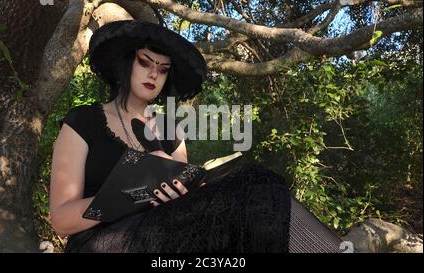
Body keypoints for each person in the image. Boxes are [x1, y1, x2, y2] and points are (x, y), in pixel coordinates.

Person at [50, 20, 344, 253]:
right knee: (255, 185)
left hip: (162, 233)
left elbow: (182, 204)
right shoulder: (84, 121)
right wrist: (130, 193)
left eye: (163, 69)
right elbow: (61, 220)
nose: (154, 74)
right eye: (145, 62)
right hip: (102, 243)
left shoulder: (170, 130)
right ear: (127, 63)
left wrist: (177, 190)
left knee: (261, 183)